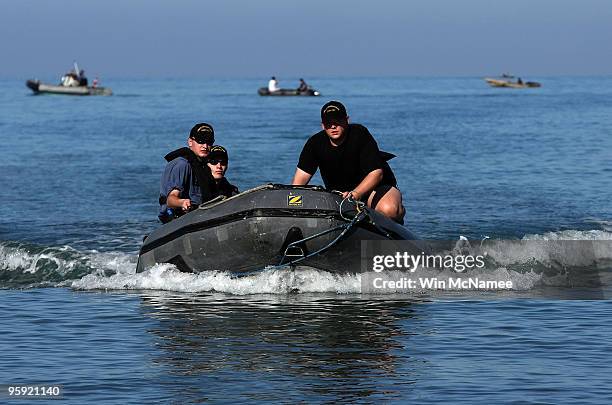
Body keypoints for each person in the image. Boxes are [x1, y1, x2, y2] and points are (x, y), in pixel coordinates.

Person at [292, 101, 405, 223]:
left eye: (337, 121)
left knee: (389, 209)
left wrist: (355, 194)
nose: (333, 126)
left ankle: (399, 213)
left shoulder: (360, 134)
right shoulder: (314, 143)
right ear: (323, 125)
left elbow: (376, 174)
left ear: (347, 120)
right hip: (339, 196)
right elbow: (298, 183)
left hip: (375, 189)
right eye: (329, 123)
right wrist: (292, 206)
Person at [158, 123, 217, 223]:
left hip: (199, 217)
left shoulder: (202, 166)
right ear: (190, 142)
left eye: (209, 142)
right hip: (178, 221)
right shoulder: (182, 165)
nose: (205, 146)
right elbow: (170, 200)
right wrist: (182, 202)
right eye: (200, 141)